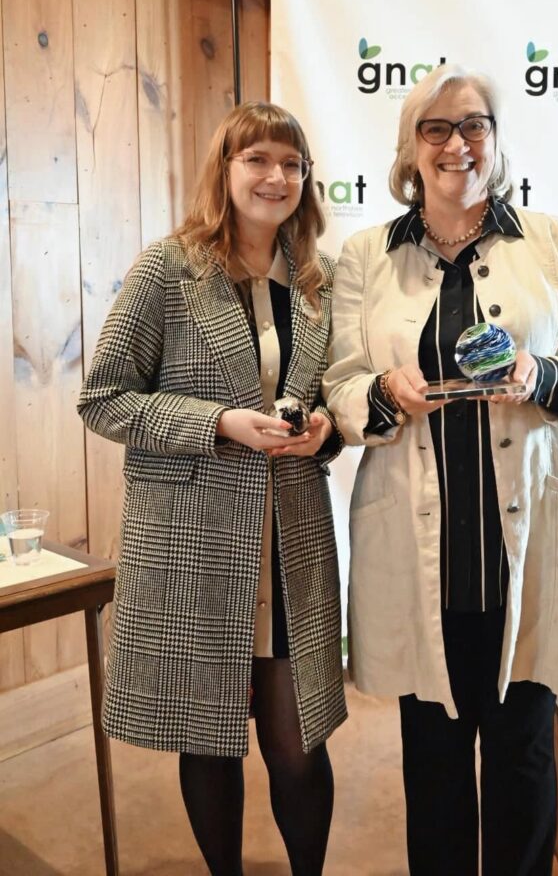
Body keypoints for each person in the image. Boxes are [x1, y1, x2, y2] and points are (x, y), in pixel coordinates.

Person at [323, 63, 558, 876]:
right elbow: (339, 381)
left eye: (474, 125)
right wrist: (383, 389)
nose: (457, 143)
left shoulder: (553, 242)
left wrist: (547, 376)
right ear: (409, 149)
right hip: (424, 550)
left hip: (524, 548)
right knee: (432, 756)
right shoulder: (366, 255)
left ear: (495, 142)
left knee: (524, 751)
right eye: (437, 128)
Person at [78, 101, 346, 876]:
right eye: (257, 159)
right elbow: (103, 397)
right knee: (211, 739)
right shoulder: (169, 268)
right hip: (193, 541)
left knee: (299, 746)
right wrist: (217, 422)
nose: (276, 177)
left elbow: (325, 393)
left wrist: (322, 424)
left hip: (290, 540)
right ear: (224, 171)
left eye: (292, 164)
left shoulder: (316, 284)